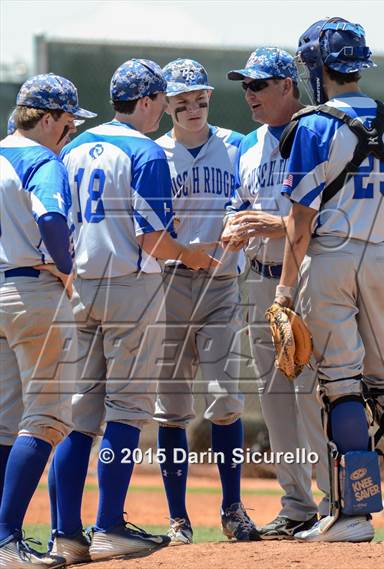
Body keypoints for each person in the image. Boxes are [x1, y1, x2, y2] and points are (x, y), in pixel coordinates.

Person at [47, 58, 219, 565]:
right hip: (130, 285)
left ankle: (65, 534)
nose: (165, 110)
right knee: (127, 411)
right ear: (144, 102)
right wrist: (192, 254)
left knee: (79, 414)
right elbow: (153, 238)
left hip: (78, 287)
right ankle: (110, 526)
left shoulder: (74, 146)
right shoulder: (145, 151)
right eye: (161, 101)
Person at [276, 17, 384, 542]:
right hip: (380, 256)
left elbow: (299, 222)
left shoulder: (312, 126)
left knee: (340, 386)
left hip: (330, 258)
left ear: (317, 67)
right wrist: (376, 263)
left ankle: (354, 514)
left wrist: (284, 290)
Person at [222, 47, 330, 539]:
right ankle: (296, 505)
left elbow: (327, 218)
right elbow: (238, 205)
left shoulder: (317, 133)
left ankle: (336, 503)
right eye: (246, 85)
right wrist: (235, 226)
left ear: (288, 85)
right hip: (261, 279)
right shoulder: (247, 144)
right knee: (274, 398)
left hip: (308, 276)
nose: (250, 94)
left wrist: (271, 223)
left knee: (312, 394)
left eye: (259, 84)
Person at [154, 58, 260, 545]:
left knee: (225, 400)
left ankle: (233, 509)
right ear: (165, 105)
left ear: (209, 99)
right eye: (181, 102)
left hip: (220, 283)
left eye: (200, 99)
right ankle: (178, 519)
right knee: (172, 408)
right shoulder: (154, 154)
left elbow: (253, 203)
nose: (192, 108)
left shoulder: (236, 146)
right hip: (169, 285)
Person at [0, 73, 96, 568]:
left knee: (4, 424)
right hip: (34, 295)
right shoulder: (42, 160)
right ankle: (7, 539)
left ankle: (0, 536)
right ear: (50, 117)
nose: (71, 131)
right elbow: (53, 219)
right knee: (48, 419)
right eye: (68, 121)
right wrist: (66, 266)